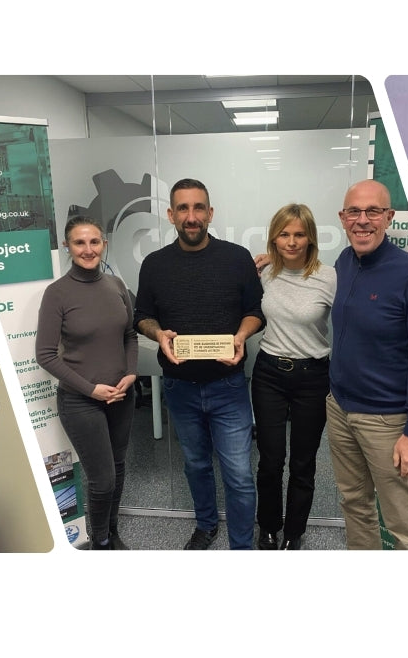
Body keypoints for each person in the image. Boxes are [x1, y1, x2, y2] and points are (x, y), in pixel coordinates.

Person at [134, 178, 264, 550]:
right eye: (183, 208)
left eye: (199, 208)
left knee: (239, 473)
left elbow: (256, 312)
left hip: (229, 386)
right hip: (180, 388)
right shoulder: (154, 264)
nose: (191, 217)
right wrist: (158, 333)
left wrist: (240, 335)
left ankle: (242, 545)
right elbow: (142, 316)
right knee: (195, 464)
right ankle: (206, 524)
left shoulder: (237, 258)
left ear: (210, 213)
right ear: (171, 214)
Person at [325, 180, 408, 550]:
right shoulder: (344, 262)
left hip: (387, 422)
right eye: (354, 212)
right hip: (340, 408)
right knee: (354, 504)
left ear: (389, 217)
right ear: (342, 218)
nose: (362, 220)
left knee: (403, 523)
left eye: (373, 211)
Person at [36, 216, 138, 550]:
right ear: (67, 247)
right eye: (79, 243)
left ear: (104, 244)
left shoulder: (116, 285)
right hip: (81, 400)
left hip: (121, 395)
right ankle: (101, 542)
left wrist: (131, 374)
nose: (88, 249)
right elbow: (45, 355)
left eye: (94, 242)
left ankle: (112, 531)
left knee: (118, 468)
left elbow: (129, 335)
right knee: (102, 479)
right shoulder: (57, 293)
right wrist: (91, 389)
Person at [250, 203, 336, 550]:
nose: (291, 241)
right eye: (284, 234)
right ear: (274, 237)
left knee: (303, 462)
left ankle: (294, 532)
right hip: (269, 373)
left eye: (299, 234)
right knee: (270, 461)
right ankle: (269, 526)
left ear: (311, 238)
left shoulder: (329, 277)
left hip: (312, 377)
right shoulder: (264, 273)